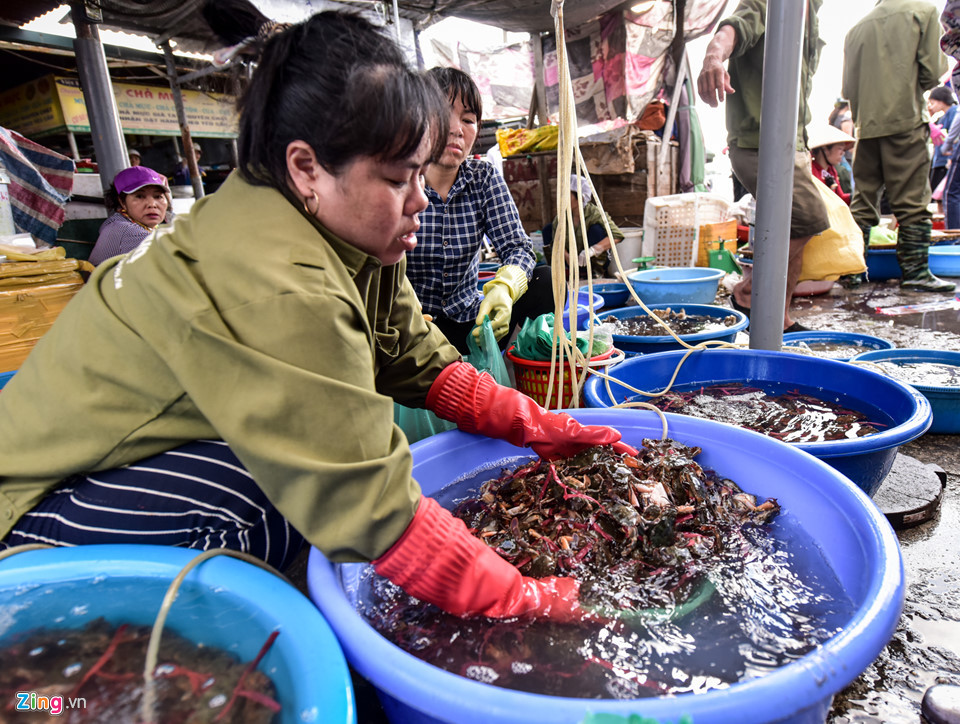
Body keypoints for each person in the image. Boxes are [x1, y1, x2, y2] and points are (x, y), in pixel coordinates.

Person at [0, 5, 628, 623]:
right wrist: (528, 598)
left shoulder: (339, 230)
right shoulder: (276, 276)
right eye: (397, 178)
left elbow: (404, 349)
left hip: (138, 460)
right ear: (306, 168)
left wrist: (528, 422)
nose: (421, 201)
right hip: (37, 510)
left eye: (421, 174)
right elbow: (367, 505)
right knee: (278, 509)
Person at [697, 0, 829, 333]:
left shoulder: (808, 12)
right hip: (760, 142)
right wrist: (713, 57)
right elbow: (732, 28)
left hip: (792, 140)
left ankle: (779, 318)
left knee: (793, 230)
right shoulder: (774, 3)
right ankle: (748, 291)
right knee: (810, 217)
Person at [405, 67, 552, 354]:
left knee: (544, 279)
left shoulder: (482, 177)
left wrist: (505, 289)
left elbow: (518, 247)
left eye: (468, 119)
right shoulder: (402, 178)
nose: (456, 129)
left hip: (471, 324)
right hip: (413, 328)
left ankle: (524, 365)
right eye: (442, 114)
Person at [843, 0, 955, 293]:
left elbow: (849, 89)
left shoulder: (857, 27)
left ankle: (853, 272)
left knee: (863, 201)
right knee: (913, 202)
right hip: (905, 120)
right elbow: (933, 71)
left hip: (866, 127)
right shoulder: (923, 12)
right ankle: (916, 272)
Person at [544, 175, 625, 279]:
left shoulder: (595, 213)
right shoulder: (562, 216)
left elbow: (617, 235)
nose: (562, 198)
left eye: (567, 194)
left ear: (580, 196)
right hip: (571, 262)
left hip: (592, 261)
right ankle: (560, 273)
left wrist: (592, 251)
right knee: (548, 229)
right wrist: (567, 256)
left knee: (596, 230)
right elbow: (557, 239)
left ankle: (595, 272)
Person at [87, 165, 171, 266]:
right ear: (122, 202)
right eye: (139, 196)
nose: (152, 204)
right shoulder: (124, 230)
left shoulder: (127, 222)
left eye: (158, 196)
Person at [808, 126, 856, 205]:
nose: (842, 153)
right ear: (825, 150)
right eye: (840, 149)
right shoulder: (811, 170)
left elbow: (840, 197)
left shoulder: (832, 171)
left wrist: (853, 197)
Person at [927, 85, 957, 194]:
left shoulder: (954, 113)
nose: (931, 107)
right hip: (940, 159)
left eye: (932, 103)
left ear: (941, 102)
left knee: (942, 194)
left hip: (946, 159)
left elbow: (953, 136)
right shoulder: (942, 117)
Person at [827, 99, 855, 195]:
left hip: (838, 157)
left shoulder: (835, 117)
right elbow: (849, 140)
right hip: (846, 160)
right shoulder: (846, 118)